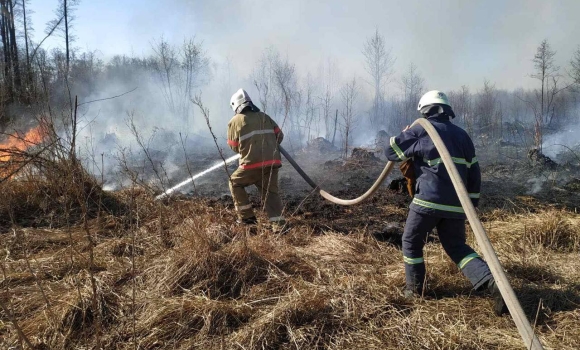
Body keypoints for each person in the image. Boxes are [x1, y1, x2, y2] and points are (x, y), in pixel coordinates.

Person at [385, 90, 507, 316]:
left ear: (424, 111)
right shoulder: (462, 135)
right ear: (446, 109)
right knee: (457, 247)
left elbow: (391, 151)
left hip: (428, 201)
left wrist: (405, 134)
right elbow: (475, 172)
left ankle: (414, 290)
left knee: (411, 241)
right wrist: (470, 204)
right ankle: (492, 284)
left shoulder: (421, 130)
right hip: (457, 204)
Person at [226, 88, 286, 232]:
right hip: (272, 163)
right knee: (270, 193)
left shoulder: (235, 121)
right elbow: (280, 136)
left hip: (250, 165)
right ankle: (279, 226)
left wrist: (249, 149)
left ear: (235, 106)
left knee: (234, 183)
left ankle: (248, 220)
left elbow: (234, 147)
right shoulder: (264, 116)